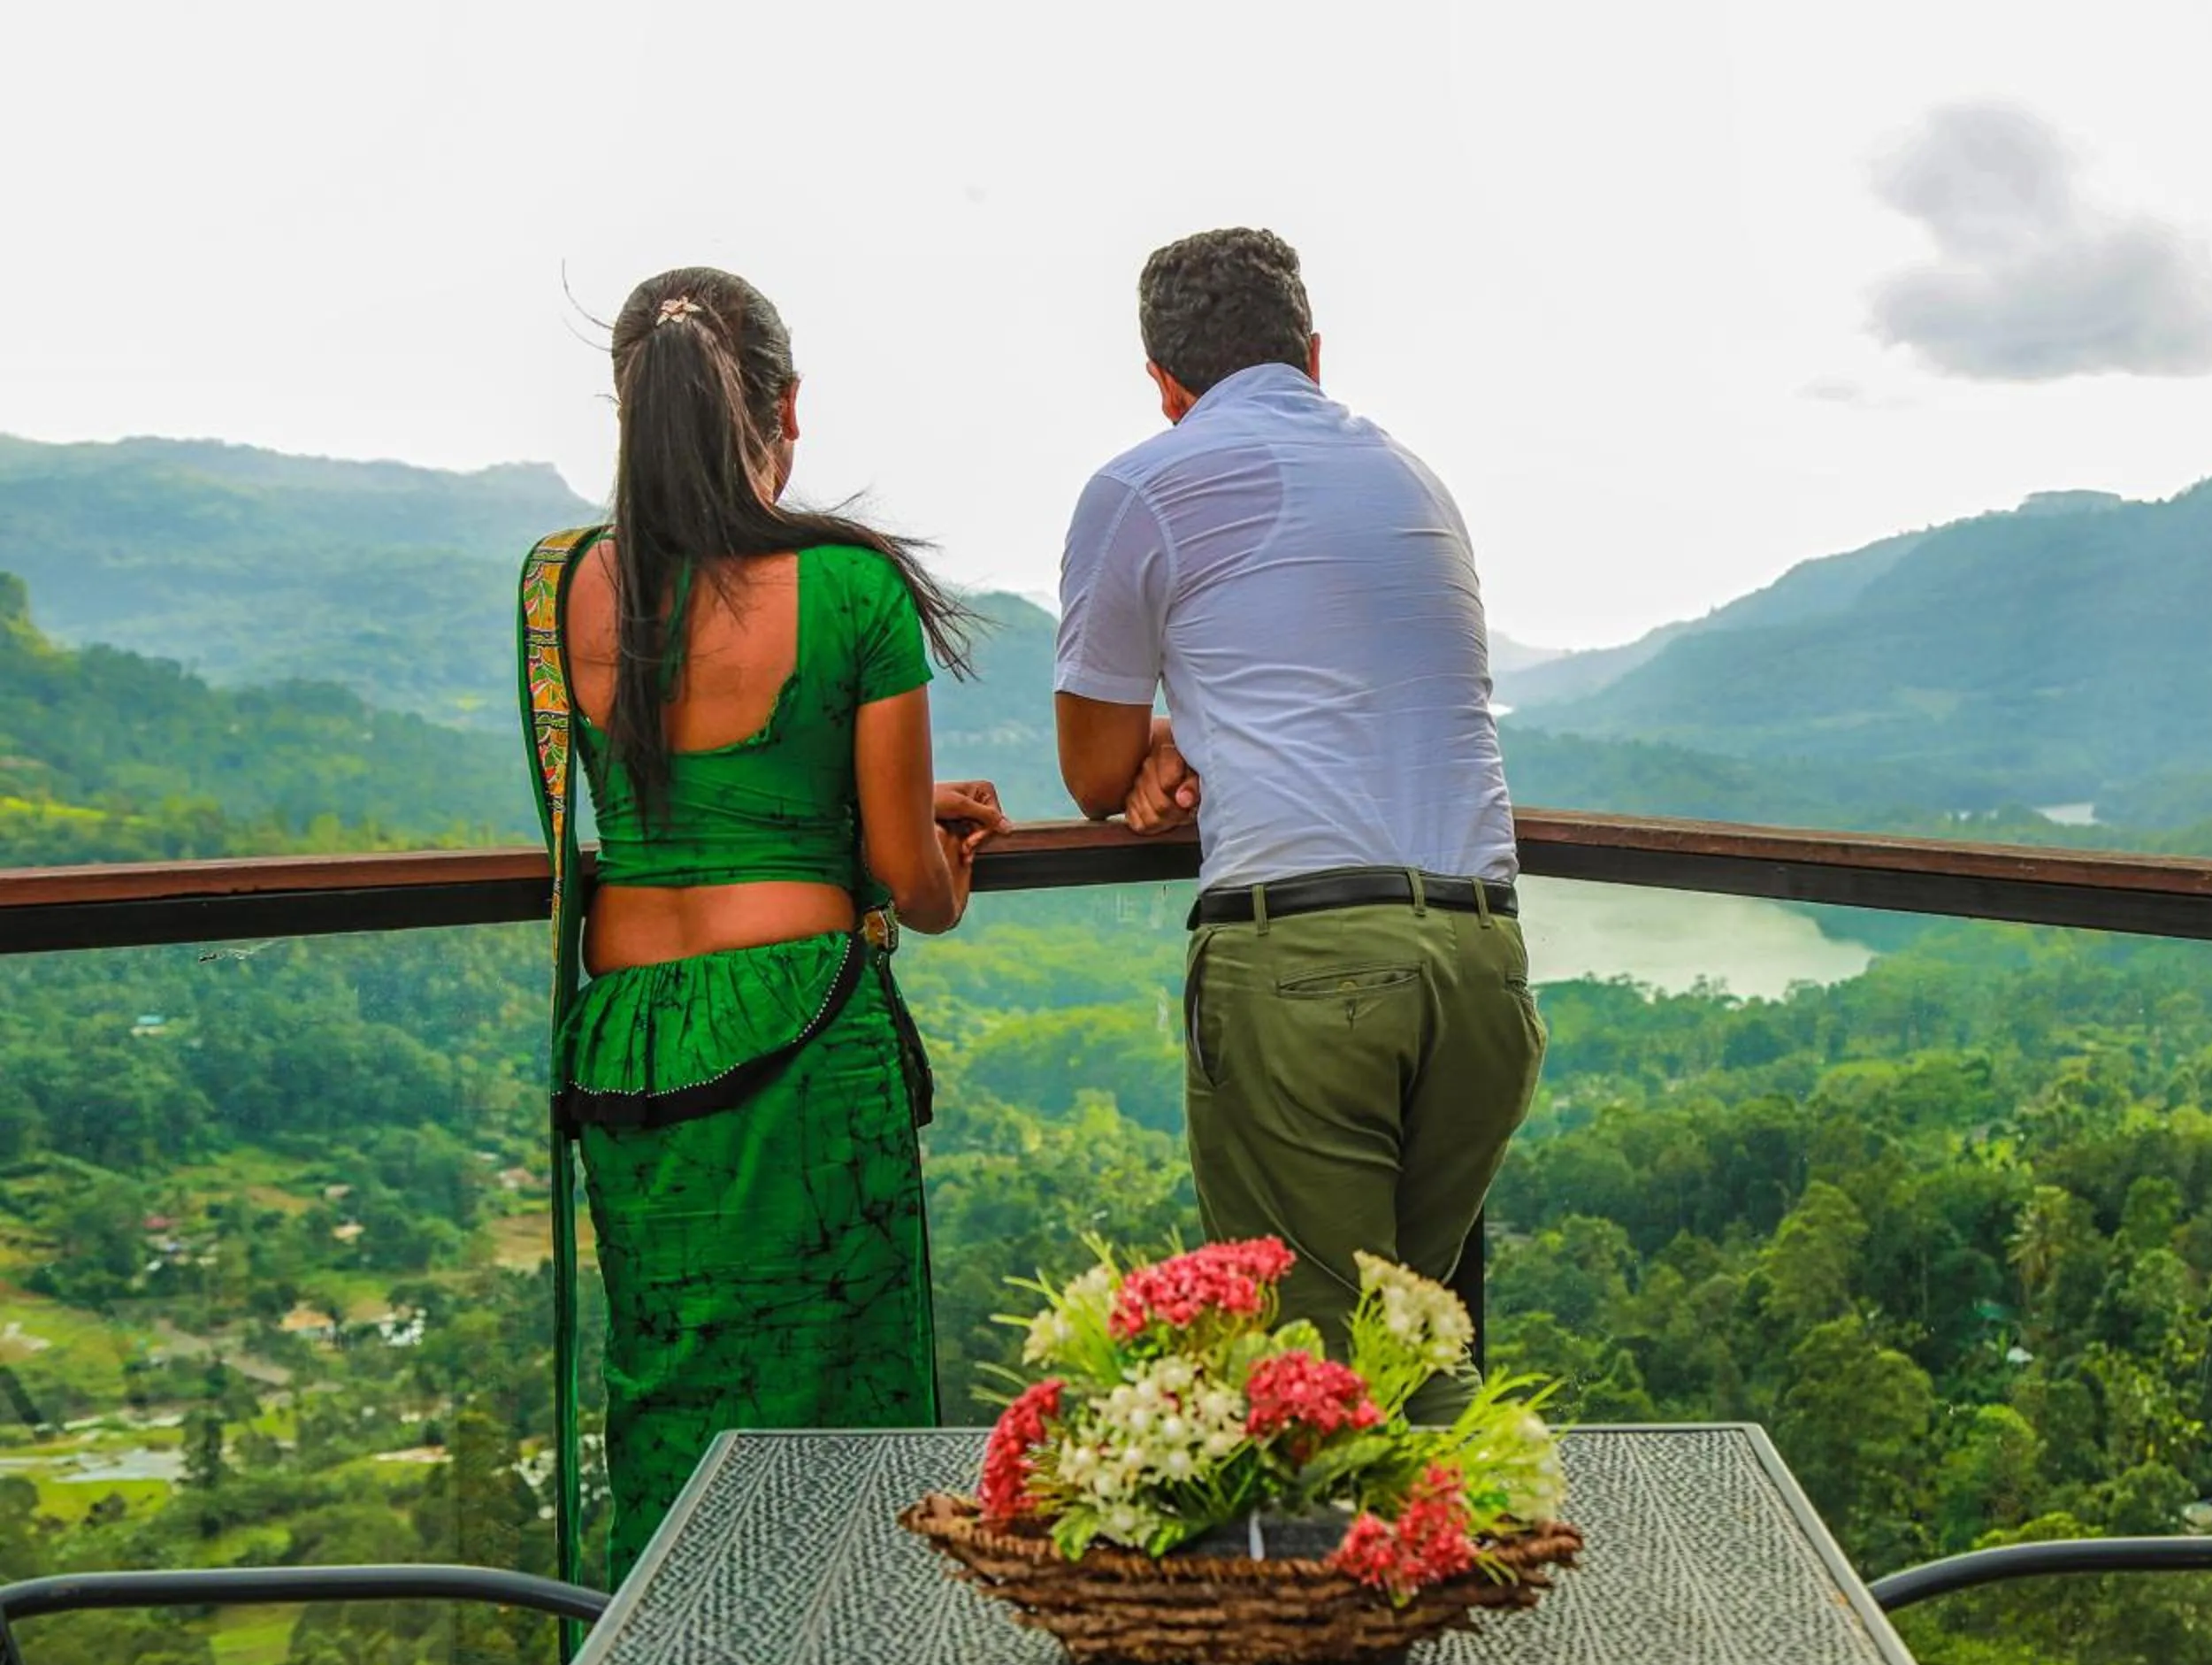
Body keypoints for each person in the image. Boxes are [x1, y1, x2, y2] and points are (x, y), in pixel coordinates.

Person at [518, 266, 1005, 1578]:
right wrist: (941, 856)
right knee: (841, 1404)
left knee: (670, 1390)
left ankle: (665, 1659)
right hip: (804, 1030)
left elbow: (648, 802)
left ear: (627, 409)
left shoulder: (555, 585)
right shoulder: (850, 587)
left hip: (628, 1045)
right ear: (786, 411)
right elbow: (912, 887)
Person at [1051, 227, 1542, 1421]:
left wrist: (1172, 738)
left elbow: (1093, 772)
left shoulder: (1145, 486)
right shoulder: (1414, 479)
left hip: (1309, 972)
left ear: (1164, 384)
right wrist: (1202, 728)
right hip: (1482, 960)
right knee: (1414, 1347)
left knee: (1318, 1387)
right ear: (1313, 354)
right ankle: (1477, 1530)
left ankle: (1447, 1525)